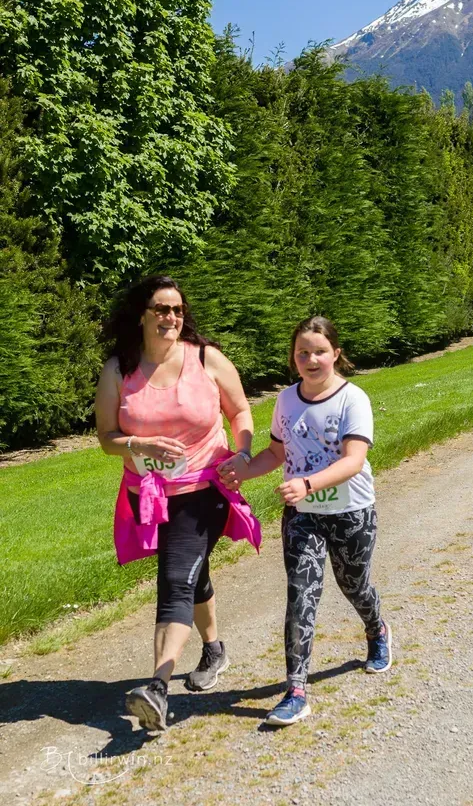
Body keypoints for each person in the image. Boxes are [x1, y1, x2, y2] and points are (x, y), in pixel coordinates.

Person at [95, 275, 258, 732]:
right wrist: (138, 444)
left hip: (203, 489)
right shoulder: (117, 370)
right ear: (142, 314)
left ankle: (158, 689)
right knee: (191, 571)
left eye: (177, 310)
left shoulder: (206, 359)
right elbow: (107, 440)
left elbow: (240, 411)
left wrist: (242, 455)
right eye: (161, 309)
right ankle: (214, 649)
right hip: (147, 495)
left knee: (174, 578)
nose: (171, 317)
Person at [219, 315, 391, 727]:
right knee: (301, 596)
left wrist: (308, 483)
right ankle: (296, 690)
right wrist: (243, 469)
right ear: (294, 358)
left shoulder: (354, 400)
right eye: (302, 353)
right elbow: (277, 454)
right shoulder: (286, 400)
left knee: (354, 585)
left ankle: (377, 630)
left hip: (351, 511)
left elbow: (354, 461)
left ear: (336, 354)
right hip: (304, 517)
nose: (311, 359)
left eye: (319, 351)